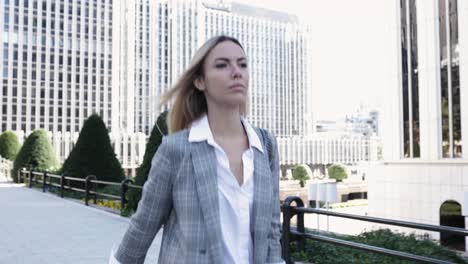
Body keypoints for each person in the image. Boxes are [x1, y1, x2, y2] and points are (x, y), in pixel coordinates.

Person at [110, 35, 284, 264]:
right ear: (200, 81)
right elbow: (143, 226)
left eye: (242, 64)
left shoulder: (266, 145)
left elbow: (271, 232)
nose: (236, 72)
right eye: (222, 65)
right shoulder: (176, 150)